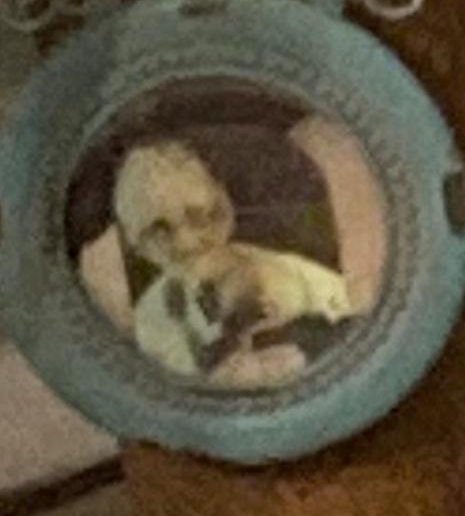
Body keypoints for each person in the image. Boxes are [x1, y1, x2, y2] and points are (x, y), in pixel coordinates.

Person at [113, 139, 354, 386]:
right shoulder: (150, 319)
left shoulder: (301, 277)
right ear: (138, 243)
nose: (187, 242)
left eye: (197, 216)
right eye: (160, 231)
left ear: (221, 202)